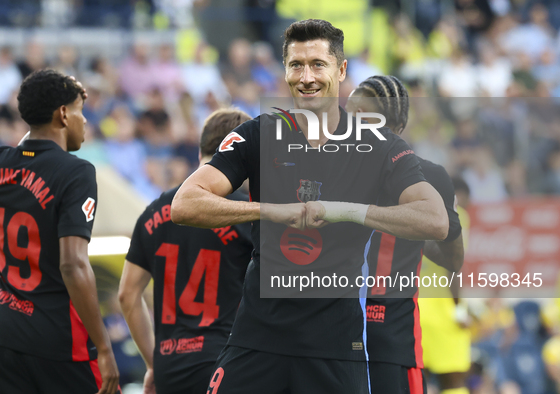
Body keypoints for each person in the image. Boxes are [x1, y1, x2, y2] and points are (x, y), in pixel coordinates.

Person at [171, 19, 449, 394]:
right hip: (257, 339)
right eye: (296, 65)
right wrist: (270, 210)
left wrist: (344, 210)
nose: (307, 77)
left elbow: (435, 220)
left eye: (318, 64)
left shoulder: (380, 146)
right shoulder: (258, 133)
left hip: (335, 348)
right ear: (284, 70)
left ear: (341, 69)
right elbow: (185, 204)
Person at [0, 69, 120, 394]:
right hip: (58, 344)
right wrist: (104, 346)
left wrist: (44, 105)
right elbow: (73, 264)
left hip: (1, 337)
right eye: (81, 111)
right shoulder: (77, 172)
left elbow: (29, 150)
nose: (86, 121)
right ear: (64, 114)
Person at [118, 108, 253, 394]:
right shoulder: (243, 210)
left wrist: (153, 362)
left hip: (169, 366)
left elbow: (127, 295)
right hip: (224, 363)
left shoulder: (153, 212)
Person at [345, 75, 465, 394]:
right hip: (392, 331)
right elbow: (453, 256)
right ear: (400, 126)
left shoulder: (323, 168)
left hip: (332, 325)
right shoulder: (431, 176)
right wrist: (414, 232)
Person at [419, 176, 472, 394]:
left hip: (416, 308)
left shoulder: (419, 213)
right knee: (454, 380)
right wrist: (459, 310)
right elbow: (453, 268)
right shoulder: (457, 216)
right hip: (443, 312)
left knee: (419, 376)